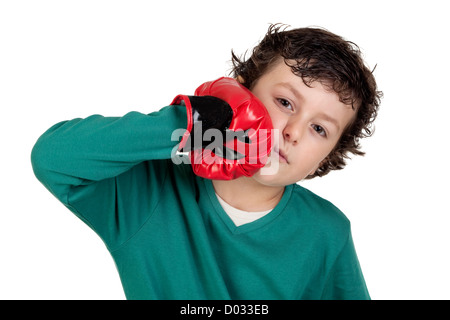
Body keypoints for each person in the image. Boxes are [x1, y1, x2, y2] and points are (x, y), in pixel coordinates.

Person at [31, 24, 382, 300]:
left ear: (327, 157)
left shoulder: (326, 232)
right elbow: (53, 158)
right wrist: (187, 124)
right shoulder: (151, 192)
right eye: (285, 103)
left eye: (319, 128)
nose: (292, 131)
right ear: (240, 92)